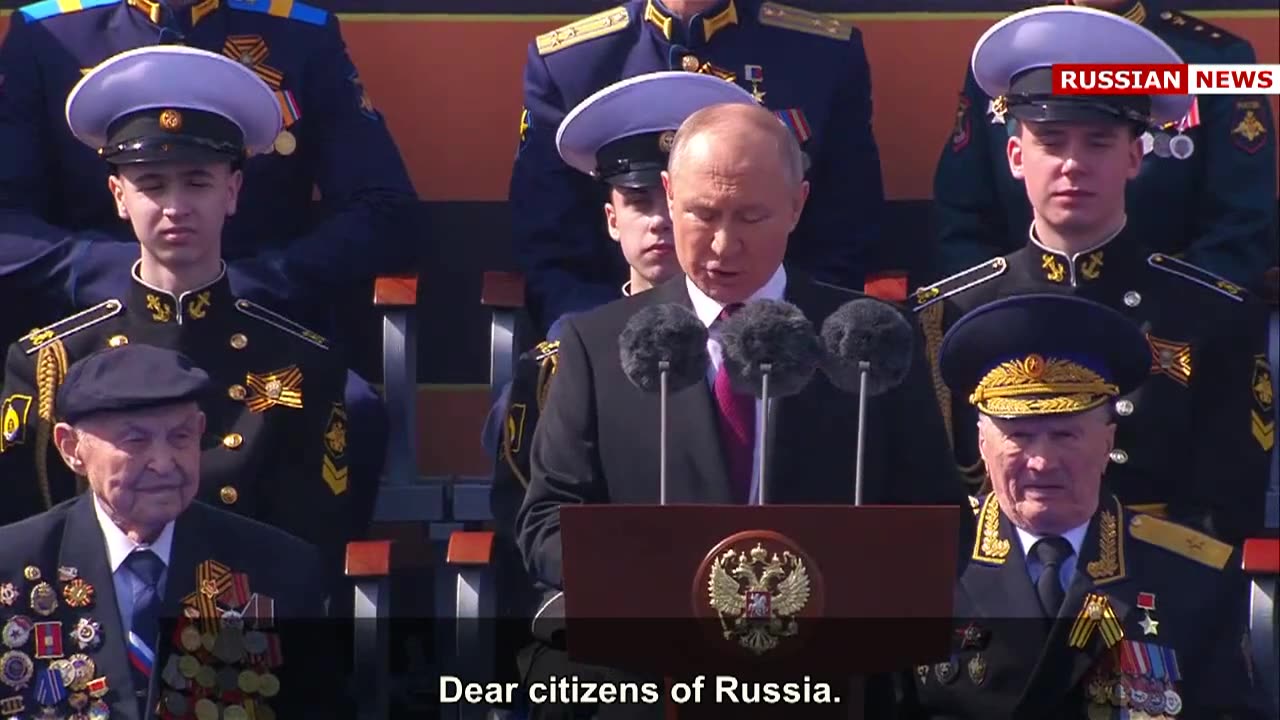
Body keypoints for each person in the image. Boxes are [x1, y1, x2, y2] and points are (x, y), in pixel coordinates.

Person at [516, 101, 970, 719]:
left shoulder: (869, 339)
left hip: (827, 683)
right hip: (655, 679)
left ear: (797, 205)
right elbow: (547, 520)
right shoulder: (596, 345)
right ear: (670, 196)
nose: (723, 244)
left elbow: (937, 520)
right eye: (702, 214)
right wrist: (649, 578)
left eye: (751, 216)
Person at [0, 0, 415, 501]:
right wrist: (121, 273)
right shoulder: (48, 33)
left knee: (352, 410)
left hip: (258, 319)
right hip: (100, 327)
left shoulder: (301, 33)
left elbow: (386, 210)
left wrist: (269, 277)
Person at [0, 46, 367, 586]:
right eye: (152, 184)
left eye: (198, 182)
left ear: (233, 190)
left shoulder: (299, 362)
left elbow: (309, 546)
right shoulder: (50, 362)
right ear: (118, 195)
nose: (175, 206)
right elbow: (23, 538)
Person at [910, 5, 1272, 545]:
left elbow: (1223, 513)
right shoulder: (947, 316)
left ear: (1134, 156)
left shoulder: (1212, 316)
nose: (1072, 164)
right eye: (1051, 142)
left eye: (1098, 142)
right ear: (1015, 155)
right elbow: (930, 502)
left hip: (1155, 590)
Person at [900, 292, 1271, 719]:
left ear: (1108, 440)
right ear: (983, 444)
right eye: (1018, 436)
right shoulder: (922, 570)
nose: (1041, 461)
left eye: (1065, 435)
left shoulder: (1190, 576)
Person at [509, 0, 892, 336]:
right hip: (617, 335)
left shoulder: (822, 56)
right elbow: (551, 247)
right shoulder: (570, 65)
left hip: (774, 343)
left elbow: (845, 235)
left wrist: (787, 332)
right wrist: (599, 345)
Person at [488, 70, 757, 542]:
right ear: (612, 220)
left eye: (677, 202)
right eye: (638, 200)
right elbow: (535, 526)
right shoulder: (565, 365)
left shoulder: (773, 350)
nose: (658, 221)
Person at [0, 343, 337, 720]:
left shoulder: (279, 571)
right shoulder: (13, 567)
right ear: (71, 448)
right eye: (136, 441)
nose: (163, 464)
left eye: (179, 438)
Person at [930, 0, 1277, 289]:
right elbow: (963, 216)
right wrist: (998, 309)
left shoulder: (1215, 59)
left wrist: (1172, 319)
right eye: (1052, 139)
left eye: (1097, 141)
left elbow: (1240, 226)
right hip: (1019, 318)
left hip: (1169, 327)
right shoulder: (1010, 52)